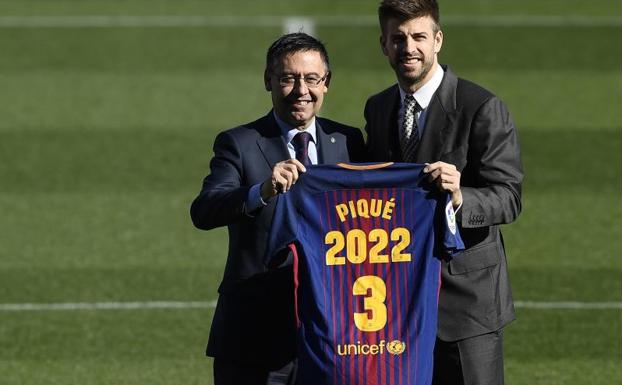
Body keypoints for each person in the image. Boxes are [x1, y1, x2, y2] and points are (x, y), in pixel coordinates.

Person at [190, 32, 365, 385]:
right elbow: (205, 210)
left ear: (326, 83)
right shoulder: (238, 143)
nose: (302, 90)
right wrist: (262, 191)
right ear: (268, 80)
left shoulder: (349, 142)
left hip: (331, 338)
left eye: (312, 79)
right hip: (253, 339)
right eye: (288, 78)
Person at [364, 1, 523, 384]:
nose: (409, 48)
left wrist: (459, 196)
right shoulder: (378, 107)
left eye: (419, 36)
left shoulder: (481, 107)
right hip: (398, 302)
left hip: (468, 306)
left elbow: (509, 196)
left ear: (438, 40)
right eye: (398, 38)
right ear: (384, 44)